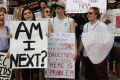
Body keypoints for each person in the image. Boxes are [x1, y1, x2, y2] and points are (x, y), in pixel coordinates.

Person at [77, 7, 110, 80]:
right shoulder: (86, 26)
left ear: (96, 14)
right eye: (87, 13)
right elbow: (83, 39)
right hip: (87, 55)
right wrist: (79, 50)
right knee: (90, 76)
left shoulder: (102, 25)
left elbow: (107, 40)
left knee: (101, 76)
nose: (88, 15)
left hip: (98, 56)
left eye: (90, 13)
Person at [47, 1, 77, 80]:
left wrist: (75, 51)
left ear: (63, 9)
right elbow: (49, 35)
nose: (57, 11)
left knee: (69, 75)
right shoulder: (51, 21)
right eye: (56, 9)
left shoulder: (70, 21)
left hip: (67, 51)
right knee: (54, 75)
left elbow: (73, 37)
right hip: (55, 51)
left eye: (59, 9)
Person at [21, 7, 39, 80]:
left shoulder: (39, 25)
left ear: (33, 14)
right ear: (23, 16)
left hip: (35, 55)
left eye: (29, 13)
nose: (27, 15)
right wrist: (11, 36)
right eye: (25, 14)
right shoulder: (19, 27)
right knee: (25, 76)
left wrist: (46, 35)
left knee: (35, 76)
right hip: (24, 56)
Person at [10, 6, 24, 80]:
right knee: (16, 68)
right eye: (22, 11)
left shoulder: (26, 22)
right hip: (16, 47)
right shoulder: (13, 24)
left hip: (25, 47)